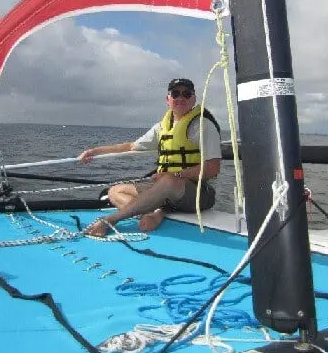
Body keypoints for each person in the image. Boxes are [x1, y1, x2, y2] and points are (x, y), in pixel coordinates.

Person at [79, 78, 222, 236]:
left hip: (197, 193)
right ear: (168, 99)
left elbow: (213, 168)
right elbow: (131, 146)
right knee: (114, 192)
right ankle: (156, 211)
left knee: (167, 181)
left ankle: (111, 219)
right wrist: (95, 151)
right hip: (164, 186)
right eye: (175, 94)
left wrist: (176, 175)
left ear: (194, 99)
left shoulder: (203, 126)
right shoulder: (161, 127)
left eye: (186, 94)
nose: (180, 98)